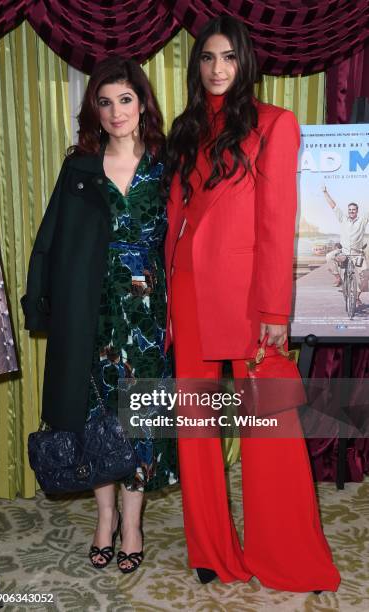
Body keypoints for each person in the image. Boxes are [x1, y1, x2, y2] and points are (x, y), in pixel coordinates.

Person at [163, 16, 341, 592]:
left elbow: (276, 224)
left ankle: (289, 554)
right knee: (195, 425)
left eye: (228, 58)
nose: (218, 69)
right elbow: (178, 216)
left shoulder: (275, 124)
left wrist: (274, 311)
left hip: (247, 300)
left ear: (245, 63)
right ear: (199, 67)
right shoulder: (186, 126)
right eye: (208, 58)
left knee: (272, 427)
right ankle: (209, 549)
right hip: (189, 288)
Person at [22, 56, 177, 574]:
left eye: (125, 100)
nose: (116, 112)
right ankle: (105, 518)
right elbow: (49, 240)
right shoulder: (79, 167)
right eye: (105, 103)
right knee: (94, 422)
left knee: (138, 425)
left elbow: (187, 240)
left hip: (149, 321)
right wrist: (39, 301)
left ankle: (133, 524)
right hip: (90, 314)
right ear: (95, 110)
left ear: (142, 102)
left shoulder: (165, 163)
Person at [323, 186, 369, 301]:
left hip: (357, 254)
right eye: (350, 210)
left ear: (357, 211)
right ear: (348, 211)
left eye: (353, 209)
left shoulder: (362, 220)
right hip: (343, 253)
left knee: (365, 276)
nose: (351, 211)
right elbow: (334, 206)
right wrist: (325, 192)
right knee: (329, 256)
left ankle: (357, 297)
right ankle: (338, 277)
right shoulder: (343, 219)